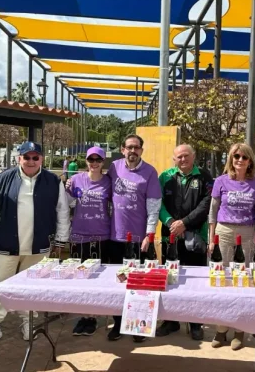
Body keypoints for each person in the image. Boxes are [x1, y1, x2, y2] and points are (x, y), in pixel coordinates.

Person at [0, 141, 70, 347]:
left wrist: (61, 240)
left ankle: (28, 322)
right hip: (7, 244)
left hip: (38, 245)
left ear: (41, 159)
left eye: (35, 157)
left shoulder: (53, 181)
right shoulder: (2, 179)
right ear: (19, 158)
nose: (30, 161)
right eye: (26, 157)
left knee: (32, 287)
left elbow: (62, 211)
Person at [208, 143, 255, 350]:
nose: (239, 160)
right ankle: (221, 330)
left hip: (248, 232)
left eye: (244, 157)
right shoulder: (220, 181)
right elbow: (213, 211)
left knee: (243, 280)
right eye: (236, 156)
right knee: (221, 279)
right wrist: (210, 237)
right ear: (230, 159)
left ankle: (239, 330)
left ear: (250, 161)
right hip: (223, 231)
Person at [106, 134, 162, 342]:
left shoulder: (149, 172)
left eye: (136, 148)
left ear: (141, 150)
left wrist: (149, 234)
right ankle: (119, 323)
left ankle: (139, 326)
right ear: (122, 149)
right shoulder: (114, 168)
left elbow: (154, 205)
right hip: (115, 236)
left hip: (139, 239)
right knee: (117, 282)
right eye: (129, 147)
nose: (132, 151)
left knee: (140, 284)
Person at [156, 144, 213, 341]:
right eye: (179, 157)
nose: (183, 159)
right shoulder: (165, 177)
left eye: (186, 156)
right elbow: (158, 203)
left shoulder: (205, 177)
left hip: (195, 237)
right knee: (171, 280)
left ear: (194, 156)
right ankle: (171, 321)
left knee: (195, 282)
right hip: (170, 236)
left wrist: (185, 223)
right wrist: (171, 223)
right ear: (174, 159)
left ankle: (195, 322)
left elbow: (207, 205)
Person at [66, 147, 112, 337]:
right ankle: (83, 316)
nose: (94, 163)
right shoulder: (76, 179)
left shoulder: (108, 182)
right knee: (80, 277)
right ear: (86, 161)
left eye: (98, 160)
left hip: (100, 235)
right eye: (91, 159)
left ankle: (92, 316)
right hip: (78, 234)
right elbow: (67, 203)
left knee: (96, 278)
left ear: (103, 162)